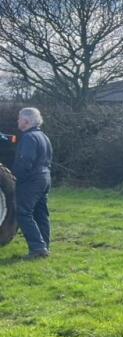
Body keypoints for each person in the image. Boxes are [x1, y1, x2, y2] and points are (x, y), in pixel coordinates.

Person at [12, 107, 53, 259]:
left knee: (23, 213)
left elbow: (25, 161)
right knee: (41, 214)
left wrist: (14, 177)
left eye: (19, 118)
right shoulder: (43, 136)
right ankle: (44, 246)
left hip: (32, 180)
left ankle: (37, 248)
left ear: (26, 121)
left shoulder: (29, 138)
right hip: (45, 177)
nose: (17, 121)